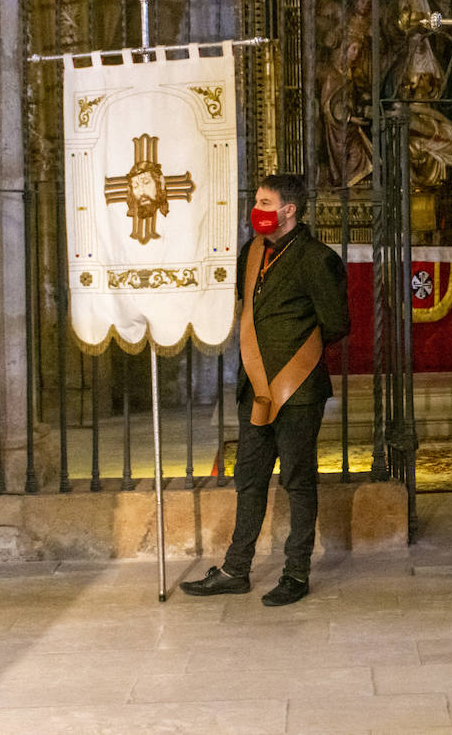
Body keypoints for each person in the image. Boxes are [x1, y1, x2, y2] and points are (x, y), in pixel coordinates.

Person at [181, 173, 350, 606]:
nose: (256, 208)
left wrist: (292, 357)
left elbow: (336, 324)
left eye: (264, 201)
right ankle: (236, 569)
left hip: (298, 392)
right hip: (254, 389)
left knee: (297, 481)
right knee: (249, 480)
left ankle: (296, 573)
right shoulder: (250, 253)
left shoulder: (317, 258)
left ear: (288, 209)